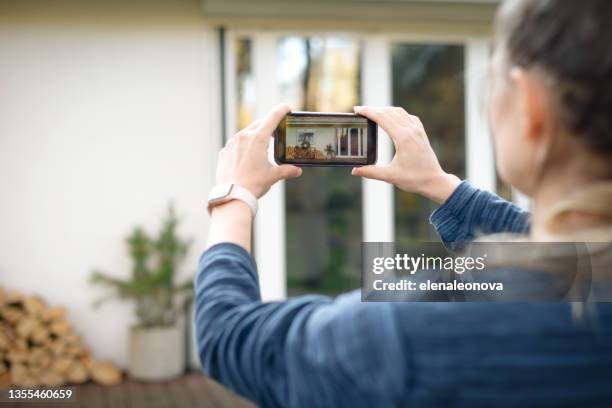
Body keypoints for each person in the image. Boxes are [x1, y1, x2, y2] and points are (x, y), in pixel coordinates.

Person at [195, 0, 612, 406]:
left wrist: (233, 197)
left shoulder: (413, 330)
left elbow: (230, 337)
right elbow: (570, 251)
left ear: (530, 108)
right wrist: (441, 186)